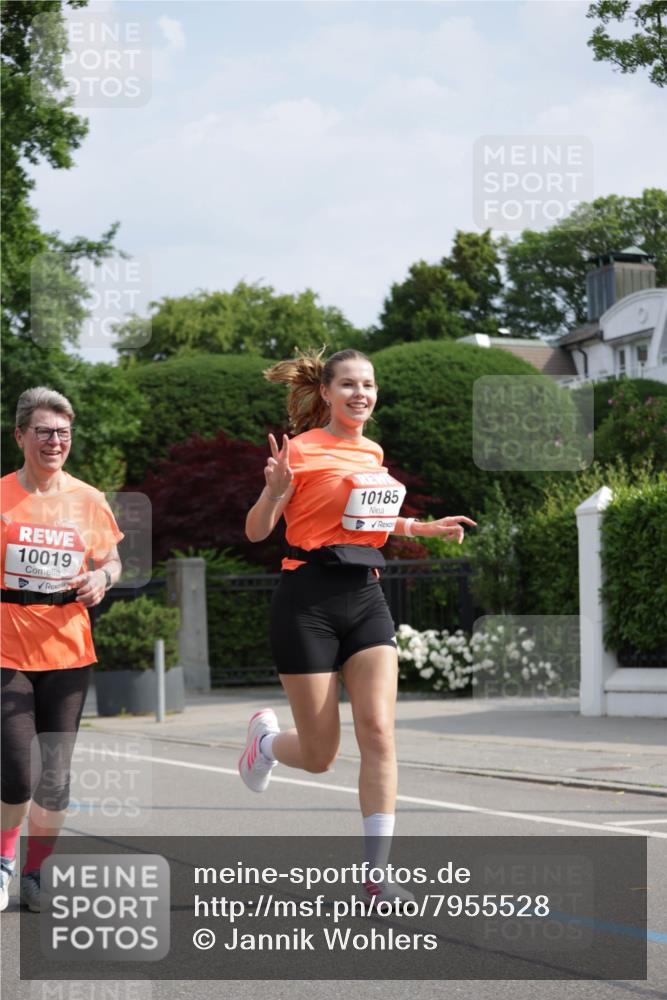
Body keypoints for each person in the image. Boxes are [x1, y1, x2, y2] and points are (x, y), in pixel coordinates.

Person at [239, 348, 476, 905]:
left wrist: (420, 527)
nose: (360, 394)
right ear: (326, 392)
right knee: (320, 755)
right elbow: (255, 531)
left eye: (368, 385)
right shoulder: (300, 450)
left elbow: (365, 519)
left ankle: (376, 874)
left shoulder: (372, 451)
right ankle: (266, 745)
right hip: (307, 602)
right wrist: (274, 490)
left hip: (366, 596)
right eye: (348, 384)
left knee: (378, 731)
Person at [0, 387, 124, 912]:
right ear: (21, 436)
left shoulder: (88, 499)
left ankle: (36, 872)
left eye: (63, 433)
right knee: (17, 772)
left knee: (55, 776)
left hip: (69, 651)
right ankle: (4, 859)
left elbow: (112, 561)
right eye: (45, 432)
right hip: (6, 649)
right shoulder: (2, 496)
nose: (55, 441)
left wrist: (101, 578)